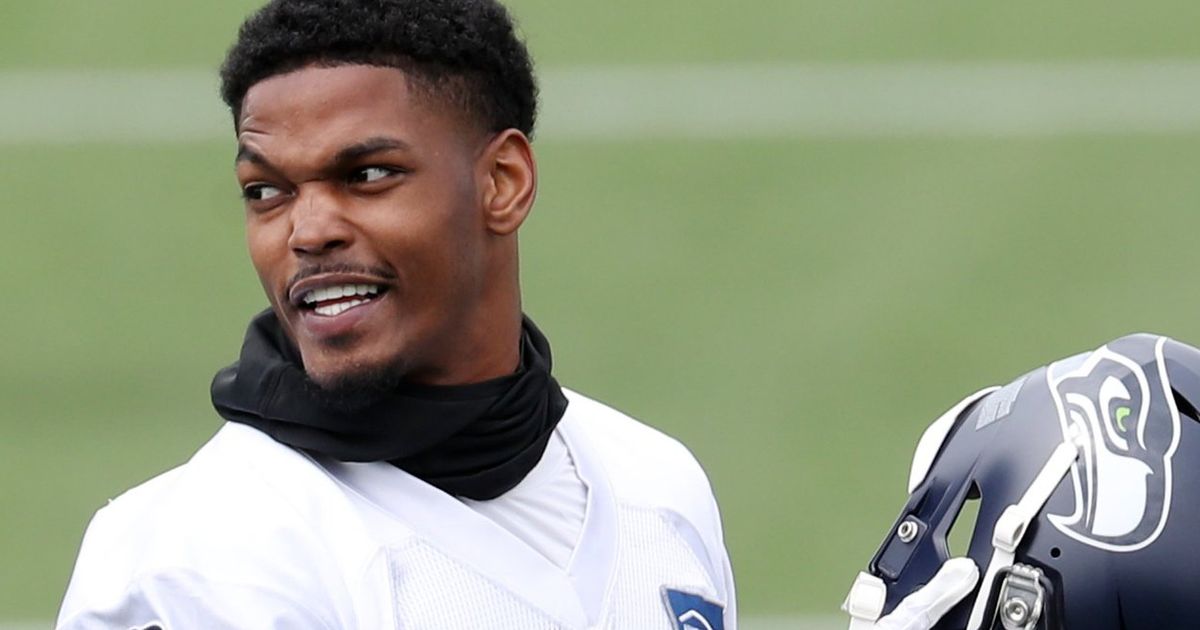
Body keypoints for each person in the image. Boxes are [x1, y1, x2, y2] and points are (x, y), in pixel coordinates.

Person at [56, 1, 736, 628]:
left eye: (368, 175)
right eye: (267, 191)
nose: (308, 230)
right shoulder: (201, 557)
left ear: (502, 183)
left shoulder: (656, 484)